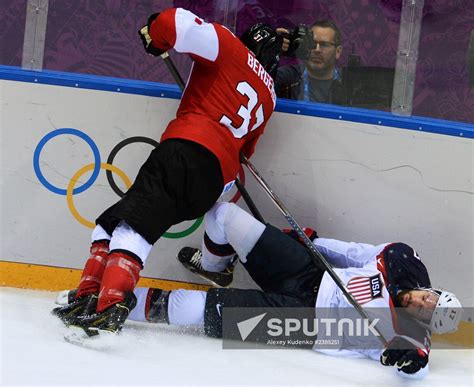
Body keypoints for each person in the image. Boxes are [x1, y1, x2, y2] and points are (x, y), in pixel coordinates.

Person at [52, 8, 283, 335]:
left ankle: (110, 305)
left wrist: (154, 36)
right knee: (112, 222)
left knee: (134, 225)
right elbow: (245, 151)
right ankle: (88, 297)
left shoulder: (231, 46)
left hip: (186, 150)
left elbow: (174, 24)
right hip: (214, 181)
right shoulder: (270, 96)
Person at [56, 202, 462, 378]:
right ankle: (216, 267)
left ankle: (110, 303)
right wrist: (311, 242)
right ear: (433, 288)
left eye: (426, 313)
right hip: (310, 274)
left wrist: (408, 360)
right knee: (225, 216)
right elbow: (357, 253)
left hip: (301, 325)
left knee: (195, 310)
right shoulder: (405, 260)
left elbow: (418, 363)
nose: (422, 305)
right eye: (430, 298)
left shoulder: (411, 336)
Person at [275, 20, 345, 104]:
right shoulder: (287, 77)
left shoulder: (350, 84)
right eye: (312, 43)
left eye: (324, 44)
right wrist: (268, 55)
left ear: (338, 52)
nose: (317, 49)